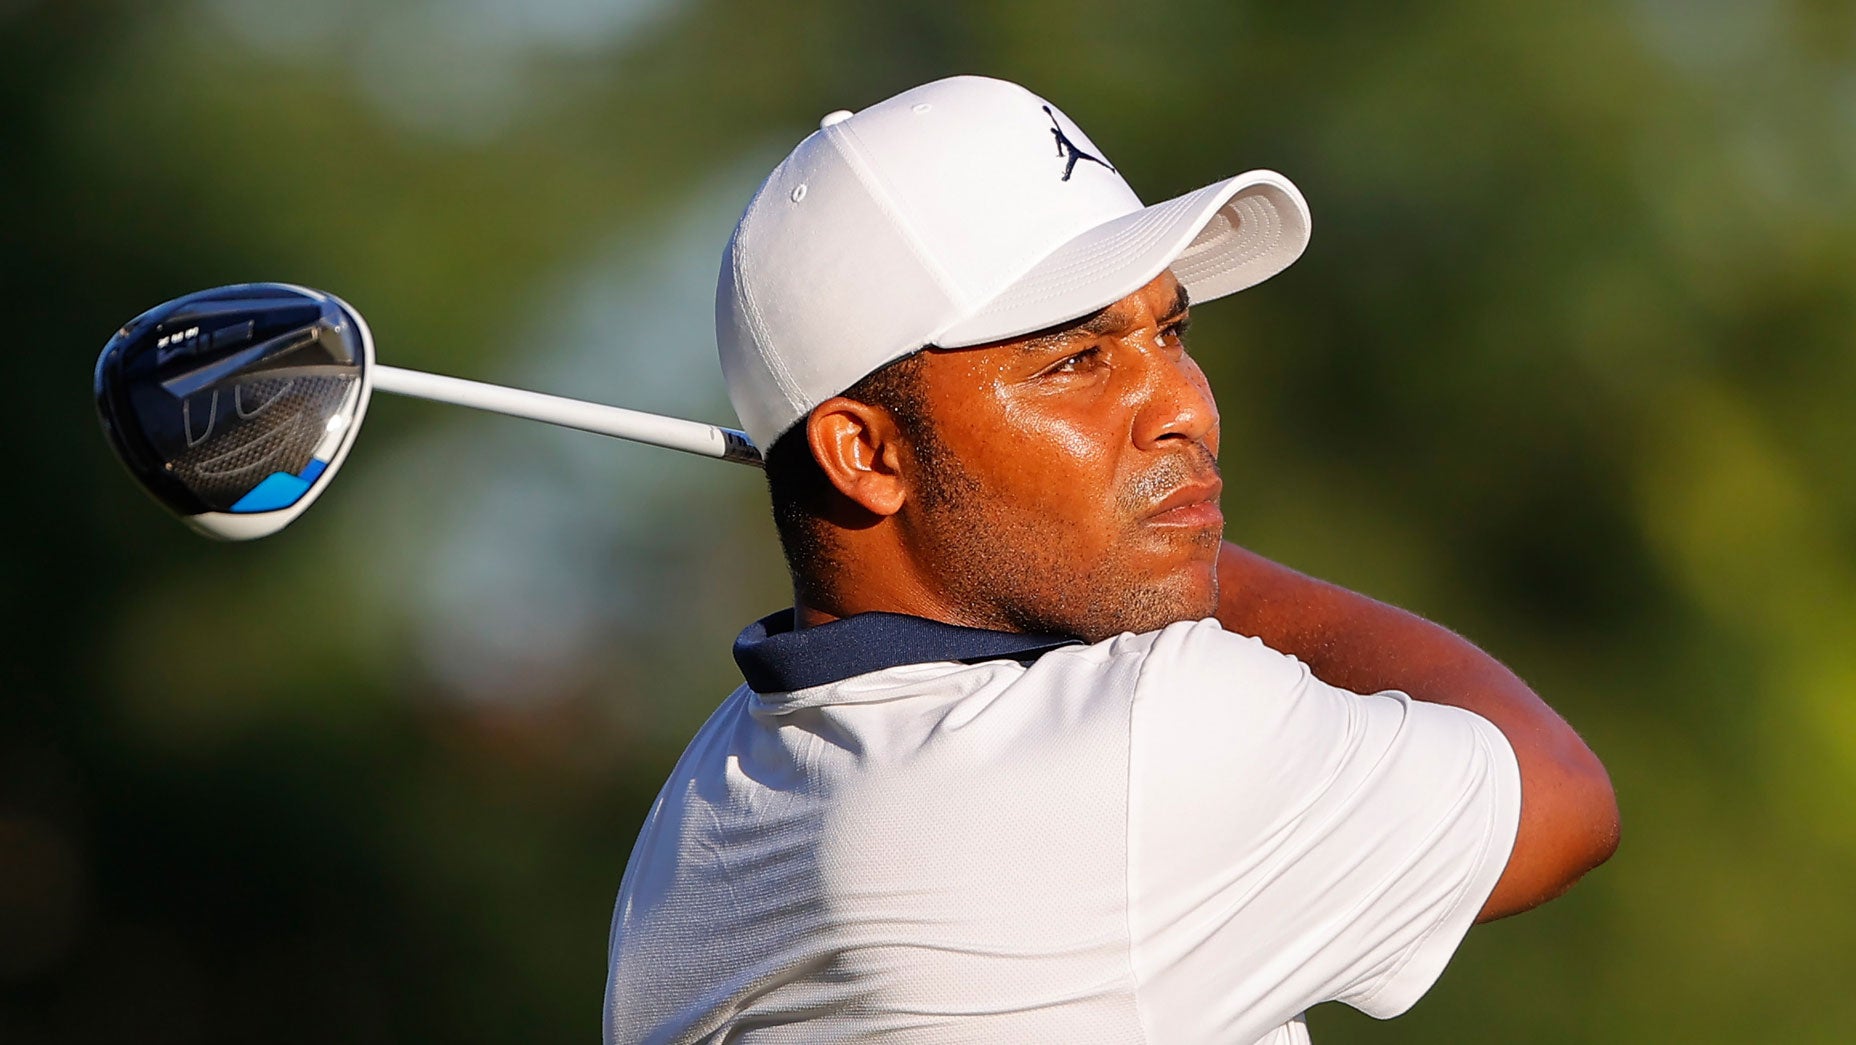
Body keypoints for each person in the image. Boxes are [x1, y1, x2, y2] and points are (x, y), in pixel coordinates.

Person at [603, 75, 1618, 1044]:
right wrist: (1191, 552)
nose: (1188, 409)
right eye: (1075, 361)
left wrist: (1144, 530)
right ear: (866, 453)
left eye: (1169, 330)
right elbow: (1560, 794)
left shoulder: (699, 800)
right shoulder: (1142, 742)